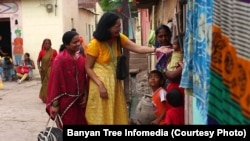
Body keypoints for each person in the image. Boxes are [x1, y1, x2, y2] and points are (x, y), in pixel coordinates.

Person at [85, 12, 171, 125]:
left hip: (114, 84)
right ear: (107, 27)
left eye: (120, 25)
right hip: (99, 85)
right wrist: (100, 85)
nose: (119, 29)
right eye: (117, 26)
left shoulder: (118, 38)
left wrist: (156, 50)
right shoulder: (94, 44)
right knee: (101, 115)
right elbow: (88, 68)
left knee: (115, 114)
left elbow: (137, 48)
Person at [46, 31, 88, 127]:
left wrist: (85, 95)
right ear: (66, 44)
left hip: (80, 102)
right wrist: (55, 105)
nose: (78, 44)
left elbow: (84, 79)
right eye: (74, 42)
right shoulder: (60, 59)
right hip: (65, 103)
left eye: (79, 41)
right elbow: (56, 83)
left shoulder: (81, 59)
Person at [37, 38, 58, 103]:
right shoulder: (41, 52)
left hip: (51, 69)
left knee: (48, 83)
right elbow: (38, 60)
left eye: (48, 43)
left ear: (50, 44)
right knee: (44, 84)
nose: (47, 45)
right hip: (43, 70)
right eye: (45, 43)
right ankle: (44, 97)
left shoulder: (54, 51)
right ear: (43, 44)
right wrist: (39, 68)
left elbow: (57, 60)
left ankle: (49, 97)